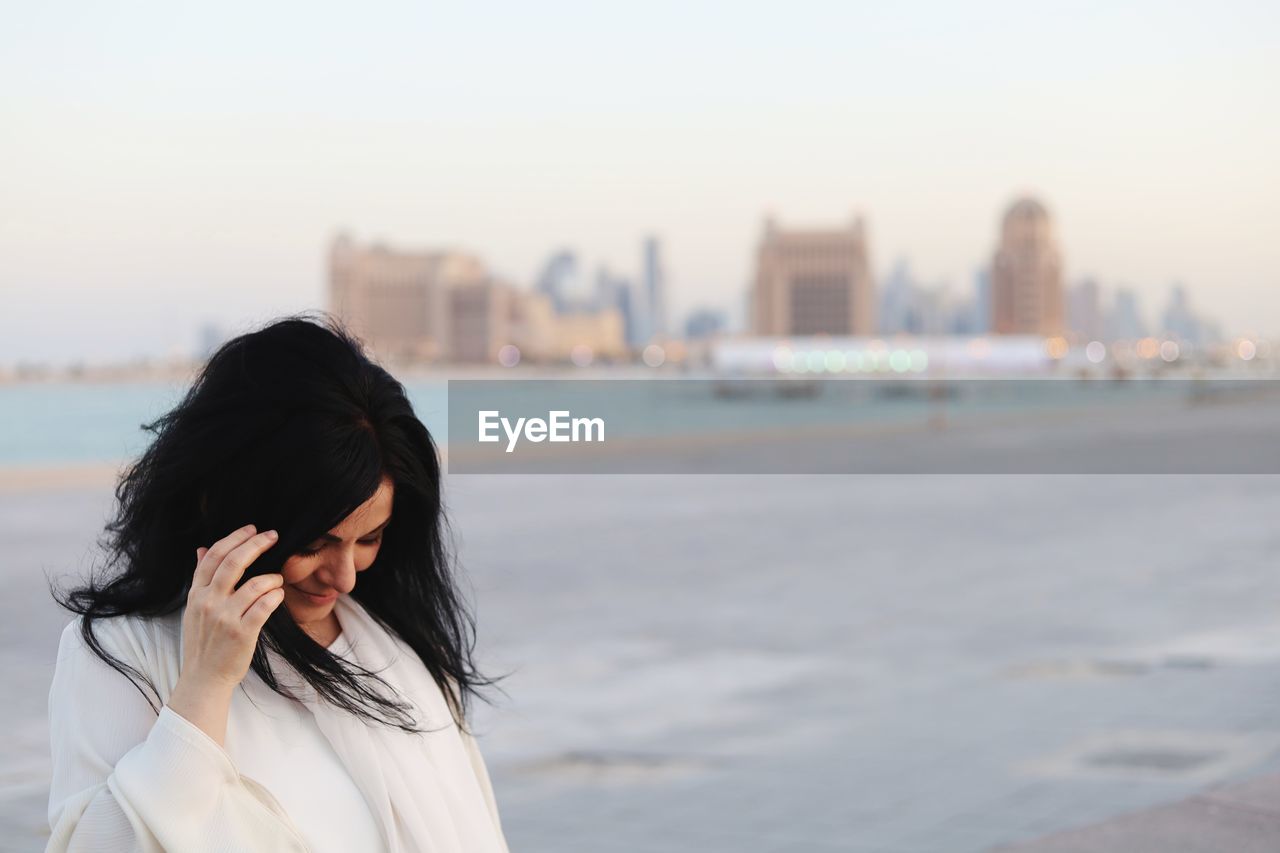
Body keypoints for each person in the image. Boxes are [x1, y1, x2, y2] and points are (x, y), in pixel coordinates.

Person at [46, 314, 509, 853]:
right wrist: (205, 686)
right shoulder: (121, 653)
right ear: (219, 504)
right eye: (314, 543)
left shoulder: (399, 645)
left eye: (371, 538)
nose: (345, 575)